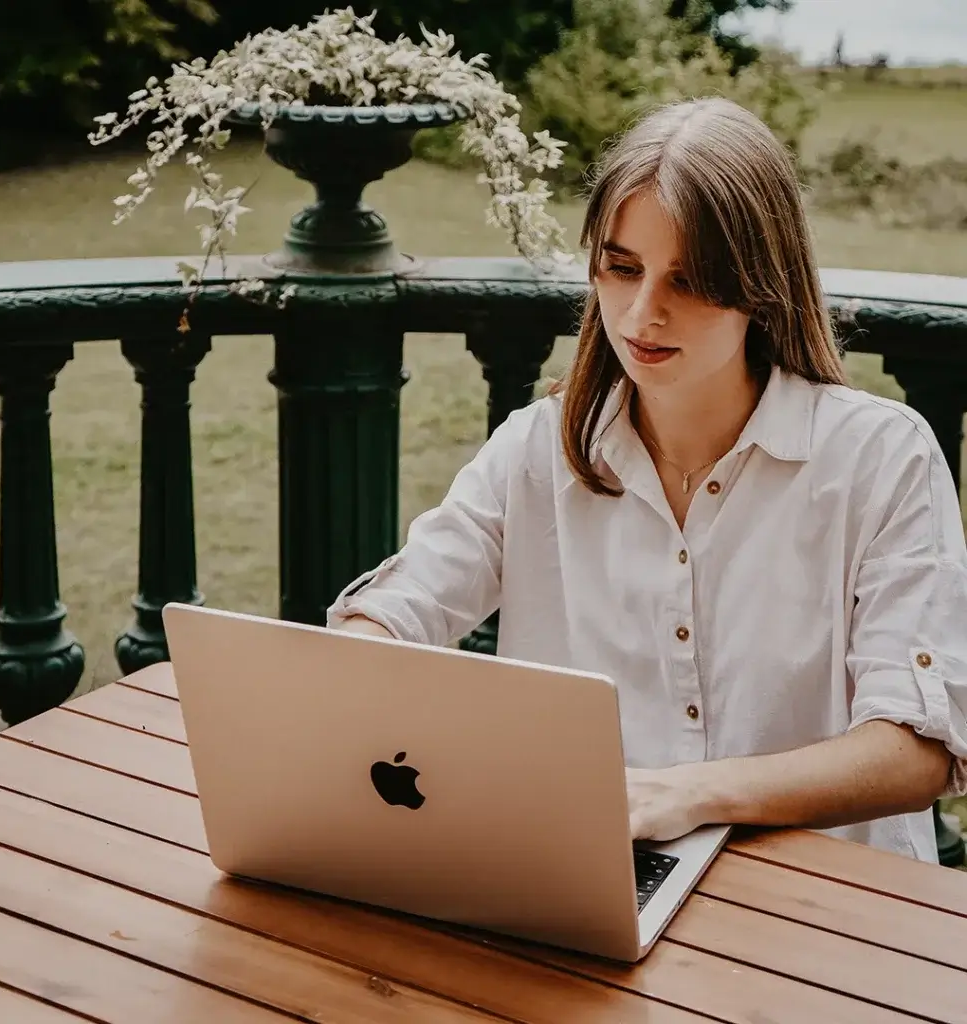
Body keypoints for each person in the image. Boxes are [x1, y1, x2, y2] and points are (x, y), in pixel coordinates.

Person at [326, 97, 967, 863]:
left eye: (689, 281)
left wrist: (687, 792)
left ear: (760, 285)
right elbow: (401, 606)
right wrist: (365, 649)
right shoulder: (536, 449)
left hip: (830, 911)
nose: (640, 313)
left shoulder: (882, 458)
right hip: (596, 878)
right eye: (620, 267)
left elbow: (913, 753)